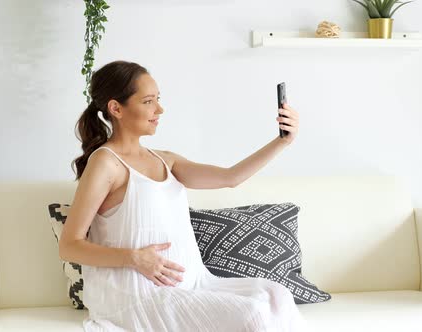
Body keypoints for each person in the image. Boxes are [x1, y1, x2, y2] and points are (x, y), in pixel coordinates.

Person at [59, 60, 308, 332]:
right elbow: (69, 245)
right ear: (116, 108)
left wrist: (282, 142)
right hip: (139, 295)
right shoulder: (106, 163)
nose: (159, 109)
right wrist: (133, 257)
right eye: (148, 101)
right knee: (252, 315)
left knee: (278, 296)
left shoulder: (166, 160)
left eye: (158, 99)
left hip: (194, 284)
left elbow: (231, 177)